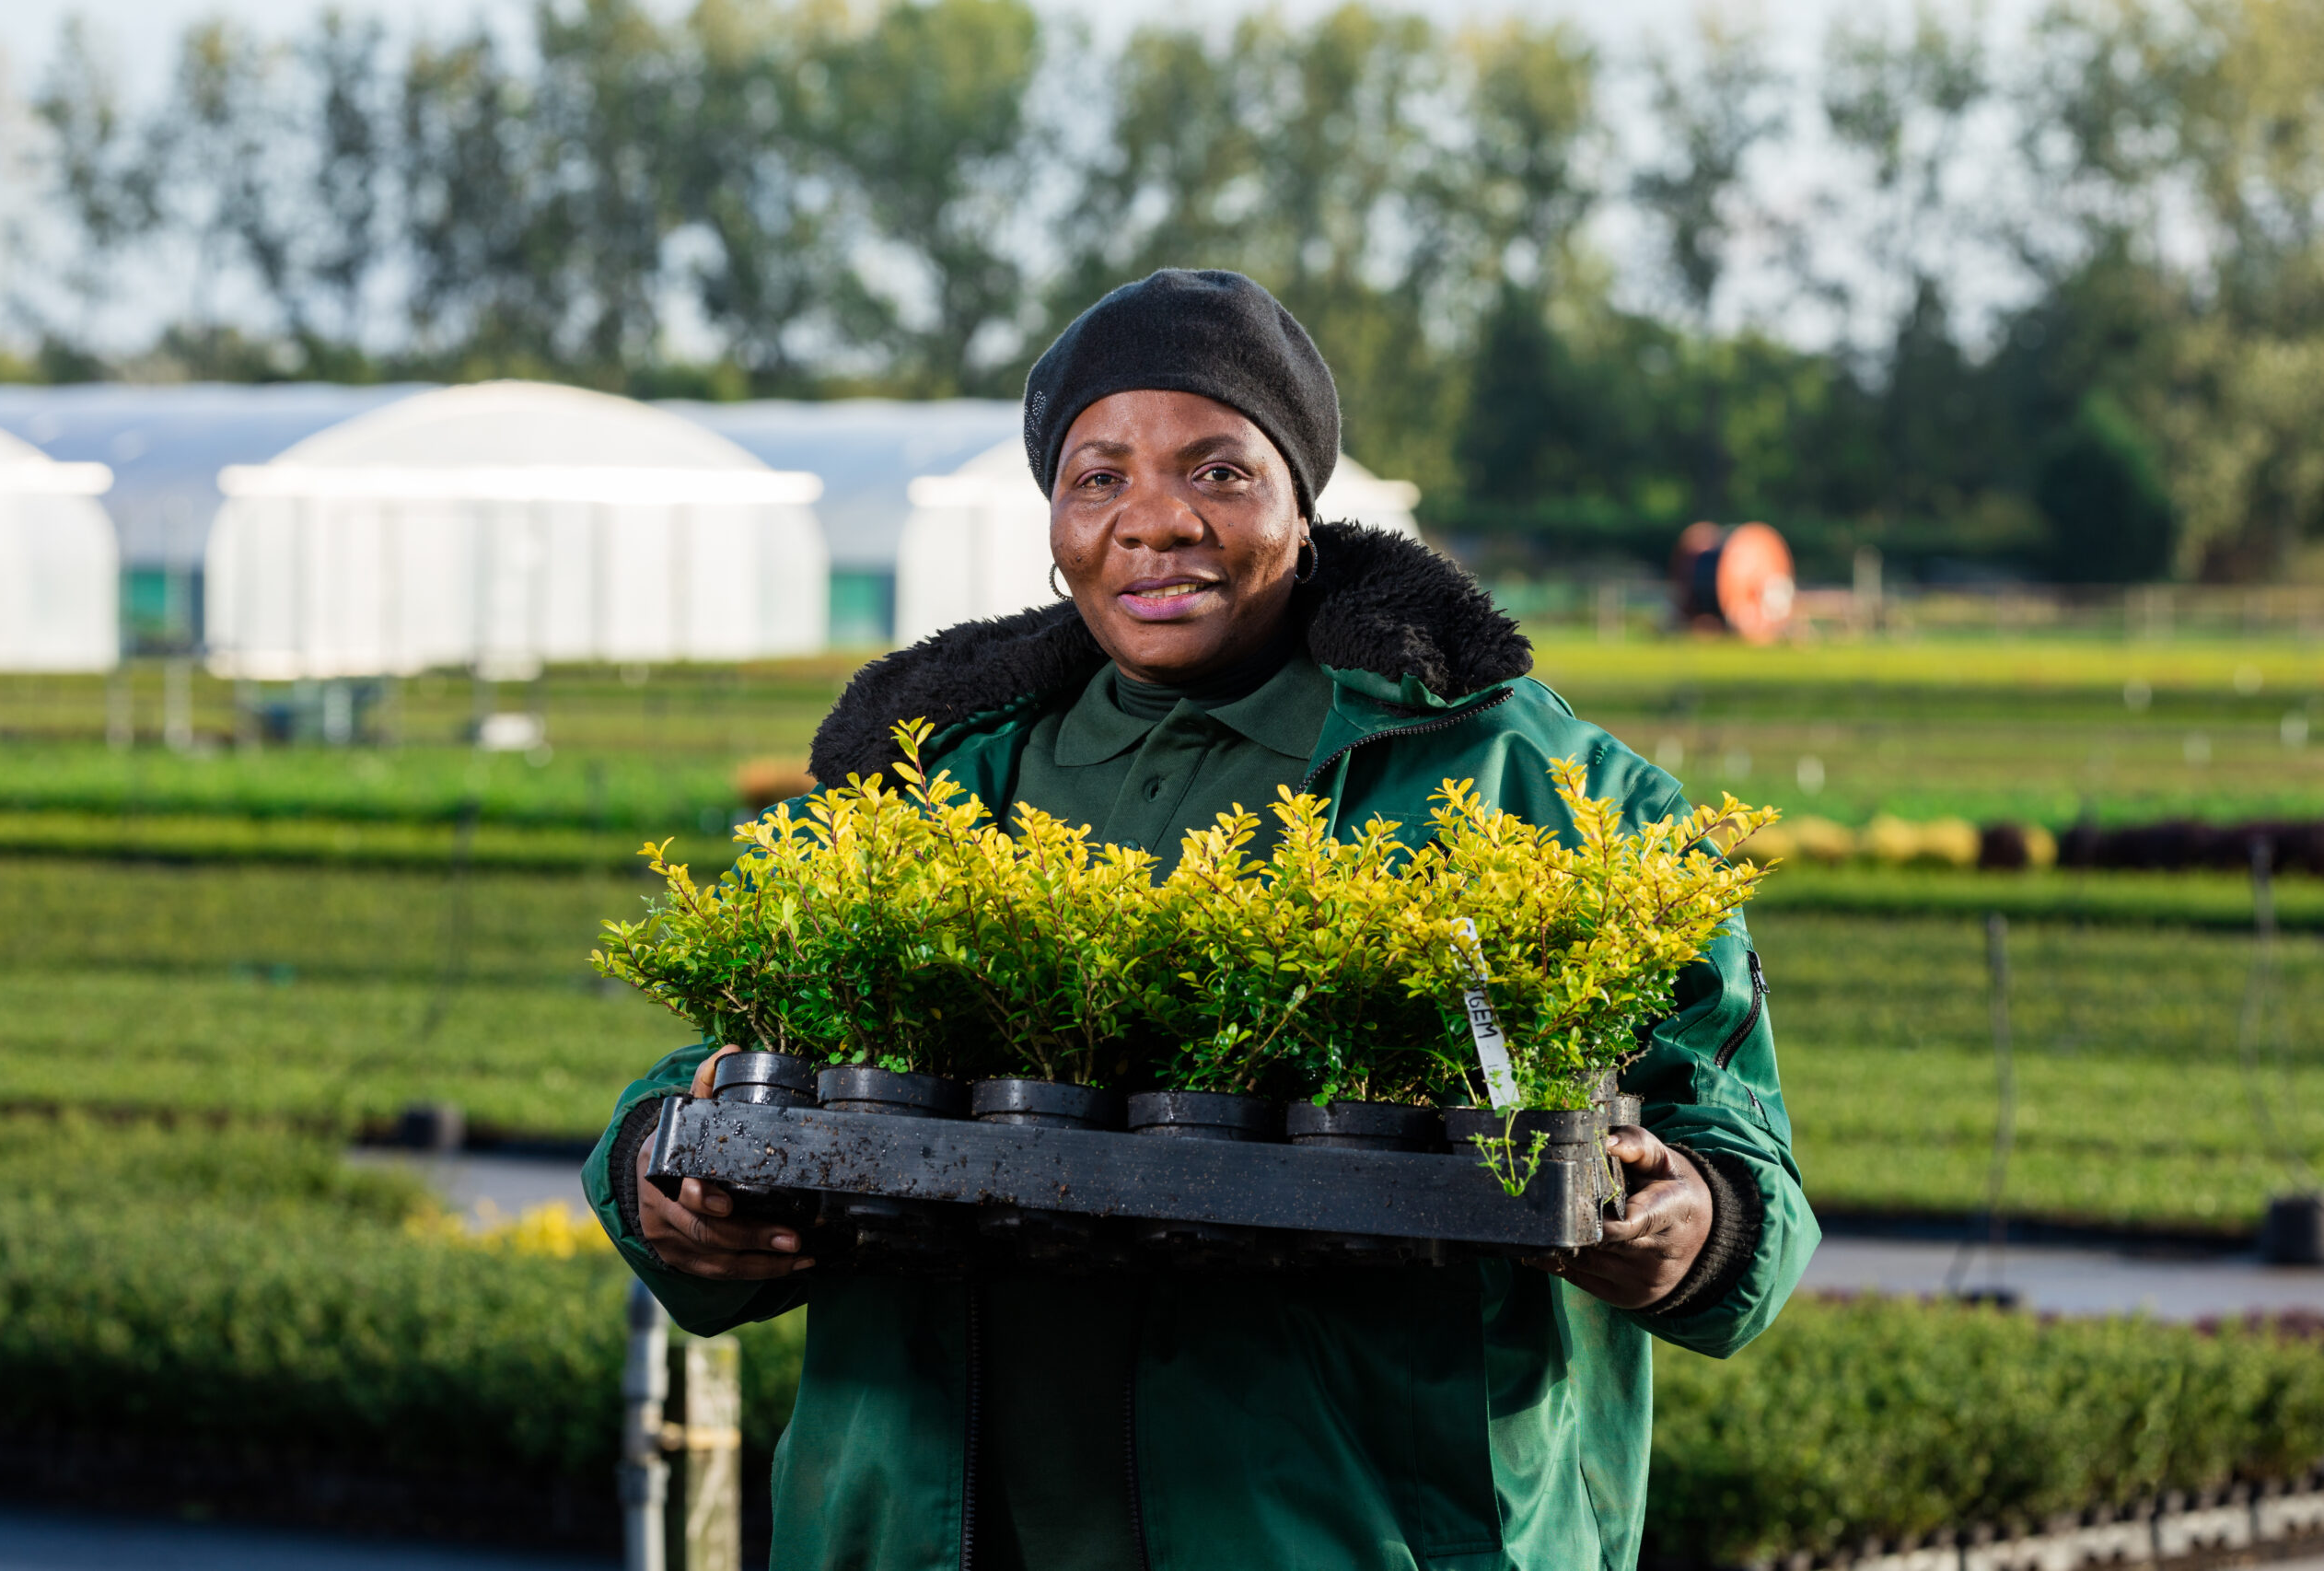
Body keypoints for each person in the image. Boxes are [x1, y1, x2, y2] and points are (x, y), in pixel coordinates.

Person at [584, 268, 1818, 1571]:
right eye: (1098, 477)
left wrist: (1695, 1219)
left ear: (1302, 502)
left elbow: (1735, 1153)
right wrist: (662, 1174)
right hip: (935, 1527)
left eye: (1218, 472)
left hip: (1348, 1531)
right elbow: (743, 1067)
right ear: (1054, 515)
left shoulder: (1525, 782)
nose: (1152, 523)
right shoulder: (930, 779)